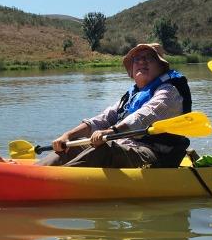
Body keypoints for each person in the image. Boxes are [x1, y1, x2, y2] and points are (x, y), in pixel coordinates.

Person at [35, 42, 192, 168]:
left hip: (153, 154)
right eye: (137, 59)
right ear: (132, 69)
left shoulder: (170, 91)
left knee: (104, 149)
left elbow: (143, 117)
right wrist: (68, 135)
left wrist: (110, 132)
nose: (142, 61)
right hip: (123, 146)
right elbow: (104, 118)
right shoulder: (132, 95)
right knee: (73, 146)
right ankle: (36, 172)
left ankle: (53, 180)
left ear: (161, 67)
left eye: (149, 57)